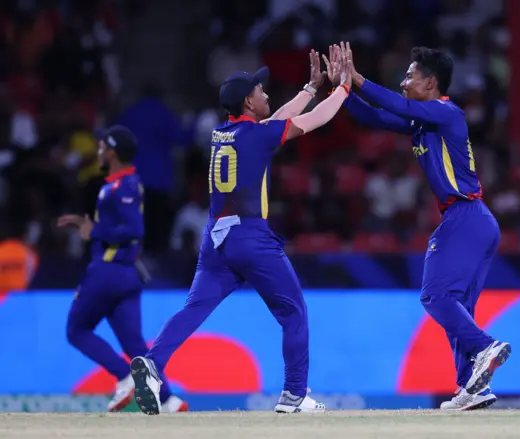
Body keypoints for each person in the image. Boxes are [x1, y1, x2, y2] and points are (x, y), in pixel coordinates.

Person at [130, 49, 353, 415]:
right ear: (249, 101)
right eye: (261, 90)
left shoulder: (224, 133)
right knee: (294, 312)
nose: (267, 95)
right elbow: (314, 121)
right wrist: (342, 88)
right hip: (251, 237)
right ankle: (294, 396)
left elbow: (277, 121)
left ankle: (153, 365)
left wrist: (311, 87)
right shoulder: (257, 135)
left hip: (215, 240)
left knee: (193, 308)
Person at [325, 43, 511, 411]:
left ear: (430, 82)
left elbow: (397, 105)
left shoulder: (446, 111)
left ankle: (485, 346)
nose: (403, 81)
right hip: (474, 220)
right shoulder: (422, 121)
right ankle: (472, 388)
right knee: (459, 306)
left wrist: (357, 78)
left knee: (435, 296)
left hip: (465, 216)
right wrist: (340, 89)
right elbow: (374, 117)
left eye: (410, 75)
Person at [57, 126, 187, 413]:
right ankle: (168, 400)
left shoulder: (123, 185)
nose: (98, 151)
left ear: (112, 151)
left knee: (76, 330)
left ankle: (124, 376)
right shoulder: (119, 183)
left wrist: (93, 229)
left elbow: (134, 229)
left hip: (107, 272)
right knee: (135, 345)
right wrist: (85, 224)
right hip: (126, 274)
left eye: (102, 146)